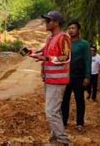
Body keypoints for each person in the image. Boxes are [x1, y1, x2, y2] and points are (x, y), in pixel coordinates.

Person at [31, 11, 71, 145]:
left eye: (48, 20)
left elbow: (66, 57)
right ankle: (55, 141)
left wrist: (46, 58)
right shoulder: (50, 38)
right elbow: (44, 52)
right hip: (49, 80)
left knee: (51, 112)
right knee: (55, 111)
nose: (46, 23)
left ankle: (63, 141)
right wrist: (33, 53)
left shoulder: (63, 37)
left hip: (58, 80)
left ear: (56, 23)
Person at [61, 20, 91, 132]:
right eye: (69, 28)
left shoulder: (84, 44)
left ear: (78, 30)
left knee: (79, 100)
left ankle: (80, 123)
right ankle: (64, 122)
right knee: (65, 100)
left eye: (73, 28)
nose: (71, 30)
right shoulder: (65, 43)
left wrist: (87, 77)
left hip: (79, 77)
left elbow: (88, 61)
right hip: (66, 76)